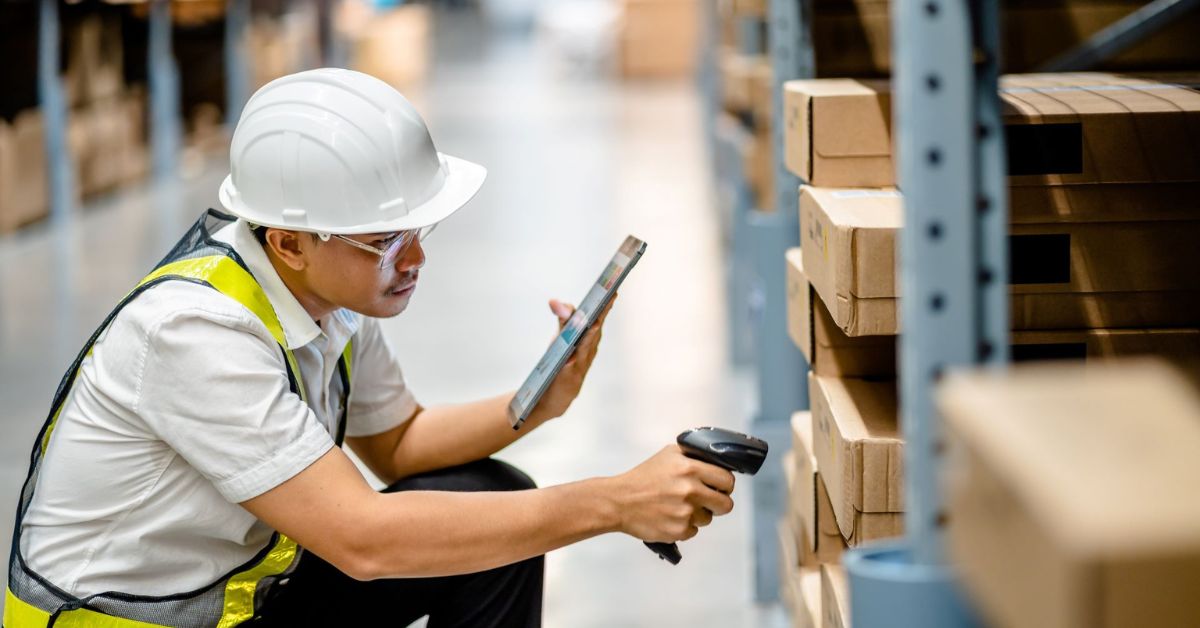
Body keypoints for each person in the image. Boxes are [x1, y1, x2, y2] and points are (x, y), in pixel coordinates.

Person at [5, 68, 736, 628]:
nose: (415, 258)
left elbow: (400, 445)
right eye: (386, 240)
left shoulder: (324, 294)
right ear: (290, 241)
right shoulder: (194, 335)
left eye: (419, 230)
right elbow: (364, 541)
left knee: (492, 499)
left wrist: (536, 405)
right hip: (131, 620)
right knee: (470, 526)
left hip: (236, 594)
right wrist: (615, 502)